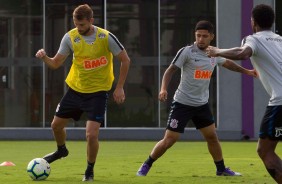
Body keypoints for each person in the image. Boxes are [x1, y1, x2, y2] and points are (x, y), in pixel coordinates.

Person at [136, 20, 257, 177]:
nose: (200, 39)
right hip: (182, 104)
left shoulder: (215, 53)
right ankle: (146, 164)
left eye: (204, 36)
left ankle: (221, 169)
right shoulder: (187, 52)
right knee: (169, 140)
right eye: (198, 35)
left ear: (211, 37)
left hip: (201, 105)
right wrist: (163, 88)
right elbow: (170, 70)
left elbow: (227, 63)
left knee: (212, 137)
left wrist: (247, 72)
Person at [35, 4, 130, 182]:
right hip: (75, 90)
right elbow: (56, 63)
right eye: (76, 25)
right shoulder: (70, 37)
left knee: (91, 134)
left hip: (98, 93)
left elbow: (125, 60)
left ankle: (89, 170)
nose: (79, 29)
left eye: (82, 26)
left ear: (91, 21)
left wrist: (119, 87)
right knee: (56, 126)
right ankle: (61, 150)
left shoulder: (106, 37)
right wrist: (44, 57)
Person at [206, 4, 282, 183]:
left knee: (265, 150)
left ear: (253, 22)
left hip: (280, 102)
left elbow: (243, 53)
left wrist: (217, 51)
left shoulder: (253, 39)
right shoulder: (280, 39)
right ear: (271, 22)